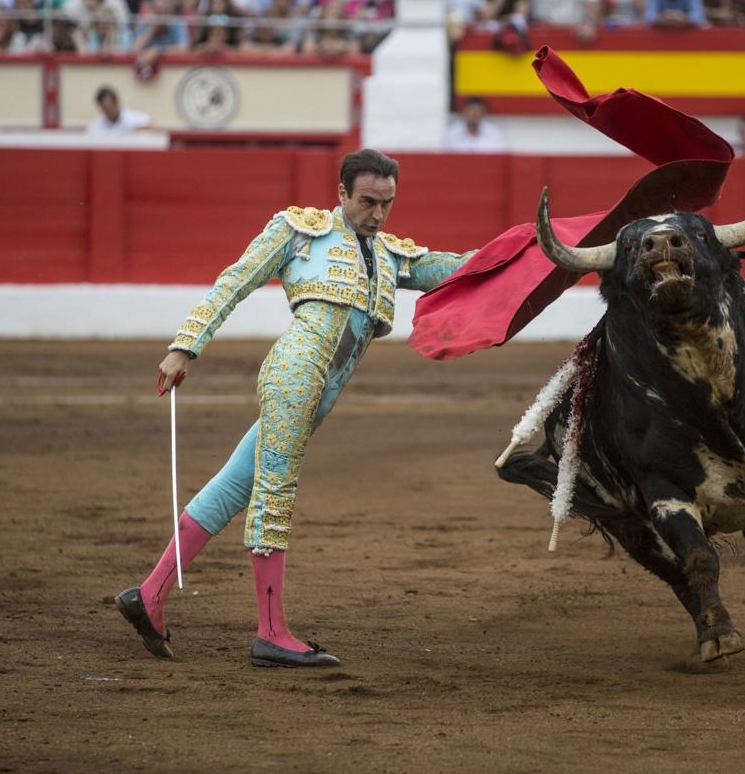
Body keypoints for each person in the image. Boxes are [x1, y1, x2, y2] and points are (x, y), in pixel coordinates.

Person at [115, 149, 476, 668]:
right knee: (274, 491)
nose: (378, 214)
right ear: (342, 194)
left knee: (234, 486)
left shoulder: (391, 255)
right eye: (368, 202)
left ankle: (148, 596)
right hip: (293, 376)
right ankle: (271, 632)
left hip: (319, 392)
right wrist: (185, 344)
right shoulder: (301, 231)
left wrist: (530, 255)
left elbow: (456, 268)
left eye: (387, 204)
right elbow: (235, 280)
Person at [87, 85, 152, 131]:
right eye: (106, 108)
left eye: (111, 107)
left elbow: (150, 124)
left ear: (117, 103)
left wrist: (135, 131)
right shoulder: (96, 127)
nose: (109, 111)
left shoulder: (132, 118)